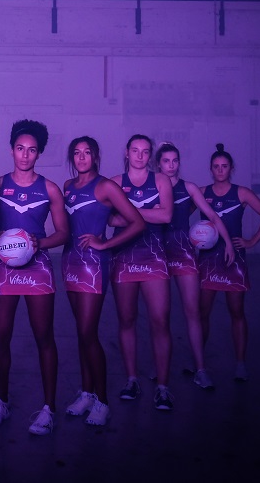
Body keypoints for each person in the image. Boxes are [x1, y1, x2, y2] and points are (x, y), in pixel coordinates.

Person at [0, 119, 69, 436]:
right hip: (4, 268)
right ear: (12, 151)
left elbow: (64, 232)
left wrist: (40, 243)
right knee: (0, 337)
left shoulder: (49, 188)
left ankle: (49, 408)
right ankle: (2, 401)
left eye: (31, 150)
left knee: (44, 337)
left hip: (38, 267)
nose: (25, 155)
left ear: (39, 154)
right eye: (20, 149)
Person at [61, 136, 144, 426]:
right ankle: (86, 393)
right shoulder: (68, 187)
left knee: (88, 333)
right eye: (77, 153)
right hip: (69, 262)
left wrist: (105, 245)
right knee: (80, 333)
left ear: (96, 157)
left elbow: (137, 221)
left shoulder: (107, 186)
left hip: (94, 265)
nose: (81, 157)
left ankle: (103, 401)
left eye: (87, 153)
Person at [155, 142, 234, 390]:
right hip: (156, 252)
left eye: (174, 160)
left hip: (183, 251)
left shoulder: (188, 188)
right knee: (160, 317)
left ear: (179, 162)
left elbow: (212, 215)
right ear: (158, 164)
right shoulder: (152, 186)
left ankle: (201, 369)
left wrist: (229, 243)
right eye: (166, 161)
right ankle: (161, 369)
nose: (170, 165)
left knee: (193, 312)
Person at [198, 143, 260, 382]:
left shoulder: (242, 193)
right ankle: (200, 363)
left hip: (234, 259)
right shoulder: (201, 192)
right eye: (216, 167)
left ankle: (240, 363)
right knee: (203, 313)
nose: (220, 170)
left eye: (224, 166)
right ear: (211, 169)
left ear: (231, 168)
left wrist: (251, 241)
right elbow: (177, 214)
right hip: (208, 259)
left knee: (237, 312)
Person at [109, 134, 175, 410]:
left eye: (145, 152)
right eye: (135, 151)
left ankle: (162, 386)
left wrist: (131, 212)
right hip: (124, 258)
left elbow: (167, 216)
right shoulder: (114, 182)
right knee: (127, 319)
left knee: (160, 320)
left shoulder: (160, 180)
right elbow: (111, 219)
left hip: (154, 257)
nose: (139, 156)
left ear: (150, 156)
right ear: (126, 152)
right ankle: (132, 379)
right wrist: (150, 210)